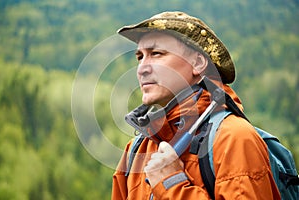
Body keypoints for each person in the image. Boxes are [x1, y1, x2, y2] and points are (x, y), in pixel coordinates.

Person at [112, 11, 280, 199]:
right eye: (140, 57)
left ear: (198, 63)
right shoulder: (136, 150)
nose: (142, 68)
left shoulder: (234, 138)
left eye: (156, 54)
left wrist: (171, 184)